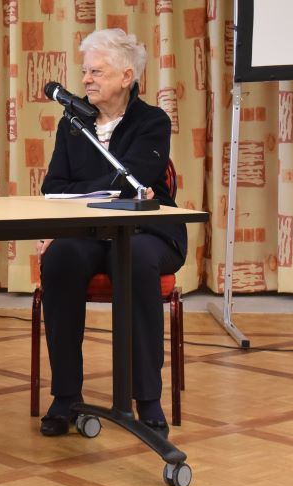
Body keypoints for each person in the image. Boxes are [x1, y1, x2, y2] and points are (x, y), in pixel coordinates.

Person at [38, 29, 187, 438]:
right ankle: (66, 395)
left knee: (136, 259)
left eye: (96, 72)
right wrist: (104, 188)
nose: (85, 79)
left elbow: (138, 179)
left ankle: (147, 398)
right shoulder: (72, 124)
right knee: (61, 259)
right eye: (84, 71)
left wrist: (87, 188)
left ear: (126, 76)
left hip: (148, 231)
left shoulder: (152, 121)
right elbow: (53, 187)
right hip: (88, 231)